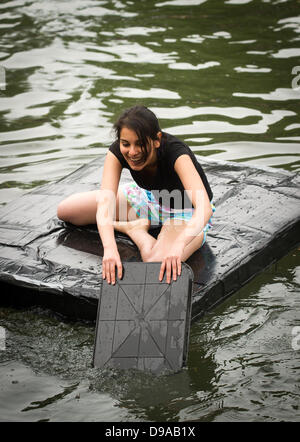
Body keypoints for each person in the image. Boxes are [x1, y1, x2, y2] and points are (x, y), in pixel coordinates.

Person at [57, 105, 215, 285]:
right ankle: (135, 224)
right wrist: (110, 249)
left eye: (140, 144)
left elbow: (205, 209)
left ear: (157, 140)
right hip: (147, 199)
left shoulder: (177, 154)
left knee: (156, 266)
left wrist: (180, 243)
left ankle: (137, 231)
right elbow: (104, 205)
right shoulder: (117, 152)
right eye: (126, 144)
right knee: (67, 211)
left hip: (184, 212)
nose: (132, 152)